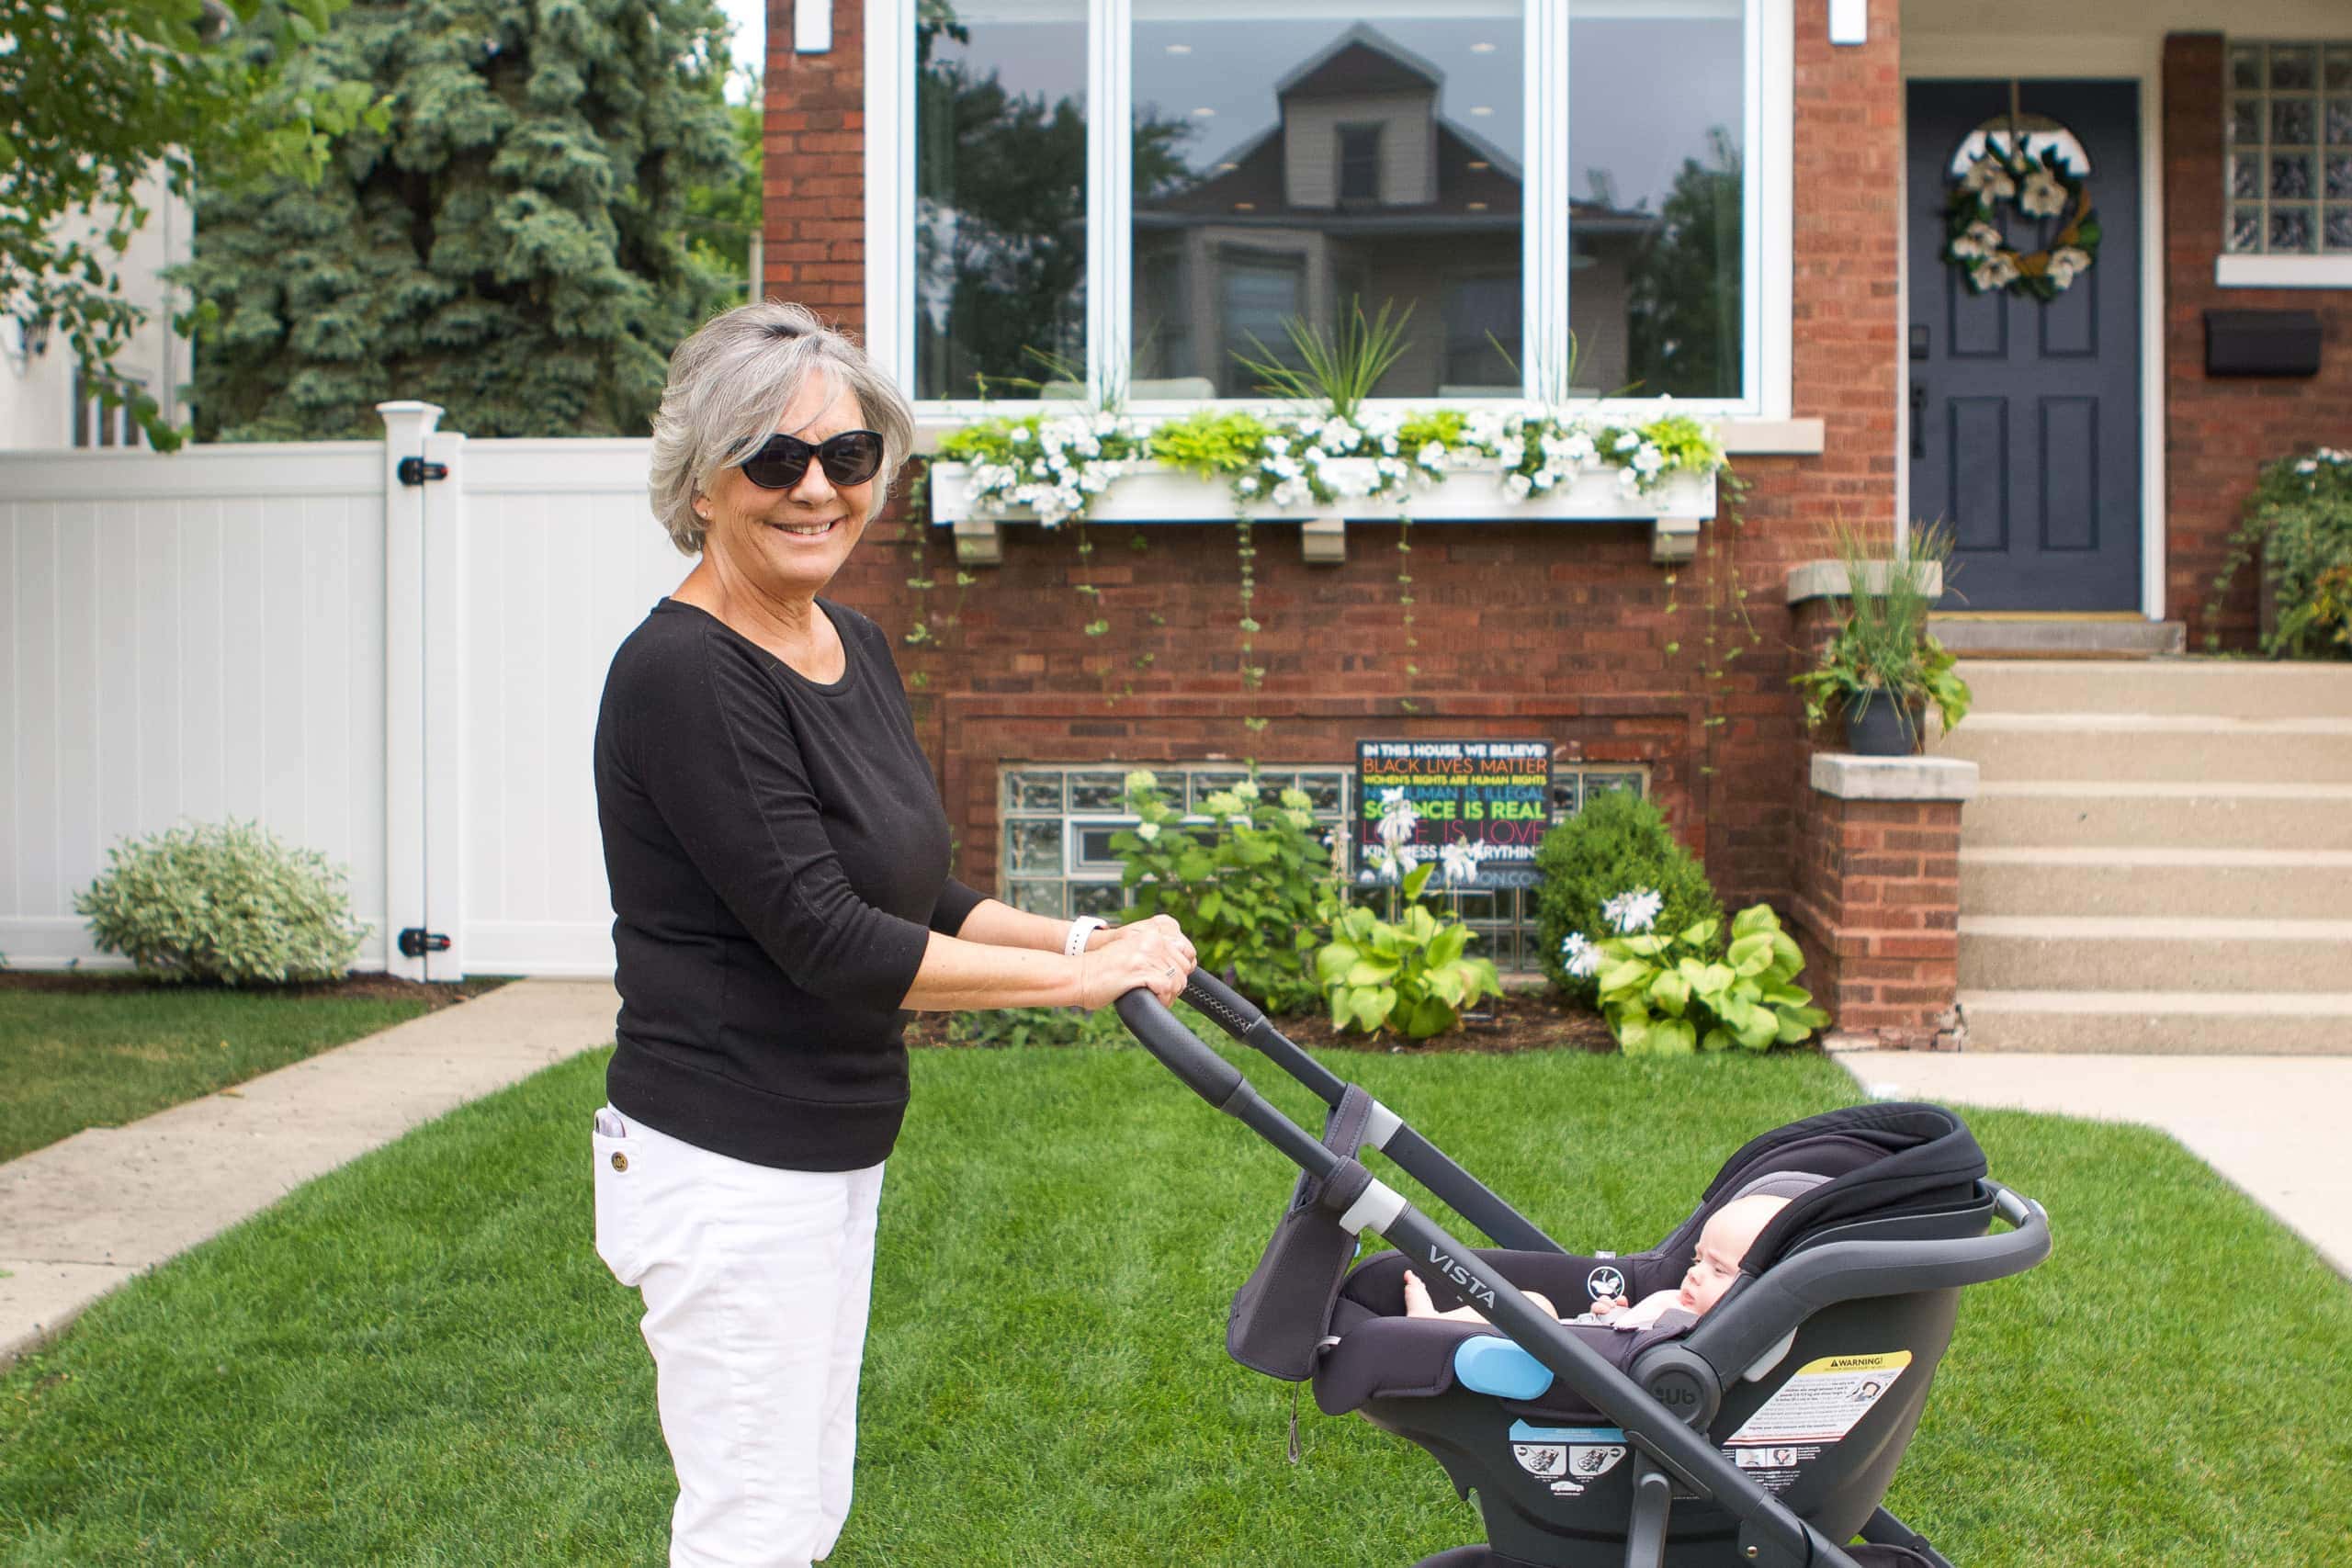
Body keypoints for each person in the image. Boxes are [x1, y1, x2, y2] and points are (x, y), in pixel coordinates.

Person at [590, 300, 1196, 1568]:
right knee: (752, 1526)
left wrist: (1088, 937)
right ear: (702, 482)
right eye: (774, 458)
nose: (817, 488)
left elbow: (913, 887)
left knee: (803, 1506)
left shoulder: (846, 640)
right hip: (729, 1160)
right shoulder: (685, 674)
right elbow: (829, 937)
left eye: (849, 457)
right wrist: (1073, 988)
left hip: (823, 1146)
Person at [1402, 1194, 1790, 1331]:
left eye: (1718, 1270)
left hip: (1577, 1376)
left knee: (1535, 1307)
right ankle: (1441, 1325)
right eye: (1698, 1258)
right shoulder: (1683, 1304)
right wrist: (1617, 1316)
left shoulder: (1718, 1334)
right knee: (1532, 1305)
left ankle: (1432, 1325)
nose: (1694, 1272)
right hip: (1583, 1345)